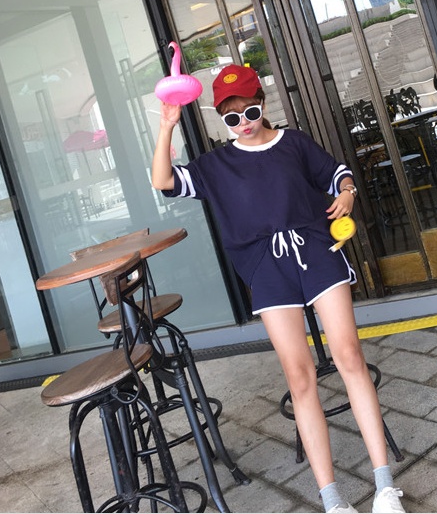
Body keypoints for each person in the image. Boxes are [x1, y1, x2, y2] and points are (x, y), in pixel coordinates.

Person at [152, 64, 405, 514]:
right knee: (299, 377)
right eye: (231, 117)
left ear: (262, 103)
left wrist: (347, 192)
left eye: (249, 111)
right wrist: (167, 125)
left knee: (349, 356)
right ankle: (333, 501)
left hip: (316, 251)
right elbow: (164, 181)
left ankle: (385, 487)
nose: (243, 123)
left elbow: (337, 173)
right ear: (221, 119)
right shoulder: (216, 165)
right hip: (266, 268)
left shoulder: (293, 143)